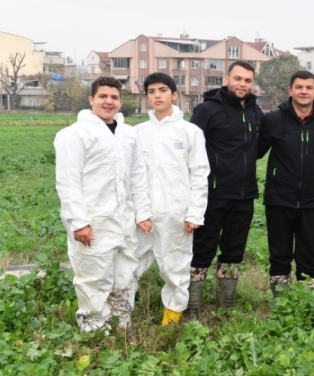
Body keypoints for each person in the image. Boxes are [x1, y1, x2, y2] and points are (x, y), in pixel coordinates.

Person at [54, 76, 151, 332]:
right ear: (91, 99)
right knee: (93, 277)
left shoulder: (128, 134)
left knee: (126, 274)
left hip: (124, 221)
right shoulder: (74, 135)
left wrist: (142, 213)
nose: (109, 102)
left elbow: (138, 177)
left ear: (121, 101)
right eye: (103, 96)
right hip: (93, 222)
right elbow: (68, 181)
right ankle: (95, 330)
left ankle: (122, 324)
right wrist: (79, 222)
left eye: (114, 97)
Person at [258, 70, 314, 297]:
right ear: (290, 90)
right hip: (279, 200)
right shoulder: (274, 120)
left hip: (313, 202)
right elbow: (255, 151)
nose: (303, 91)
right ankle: (281, 306)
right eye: (298, 87)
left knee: (309, 257)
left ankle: (307, 305)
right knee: (279, 257)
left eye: (308, 88)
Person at [133, 73, 210, 324]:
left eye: (163, 90)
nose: (157, 95)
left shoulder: (190, 132)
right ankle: (122, 312)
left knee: (174, 265)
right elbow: (131, 176)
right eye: (152, 91)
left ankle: (172, 315)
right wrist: (138, 212)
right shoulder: (136, 133)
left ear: (174, 95)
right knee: (129, 264)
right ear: (147, 97)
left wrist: (194, 214)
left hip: (176, 212)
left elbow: (199, 173)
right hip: (142, 212)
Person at [189, 61, 262, 310]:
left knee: (233, 251)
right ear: (227, 79)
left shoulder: (255, 112)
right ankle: (193, 307)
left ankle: (225, 308)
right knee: (202, 249)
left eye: (248, 80)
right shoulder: (206, 110)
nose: (242, 84)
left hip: (244, 194)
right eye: (238, 79)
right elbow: (191, 151)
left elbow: (262, 145)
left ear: (252, 83)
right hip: (211, 194)